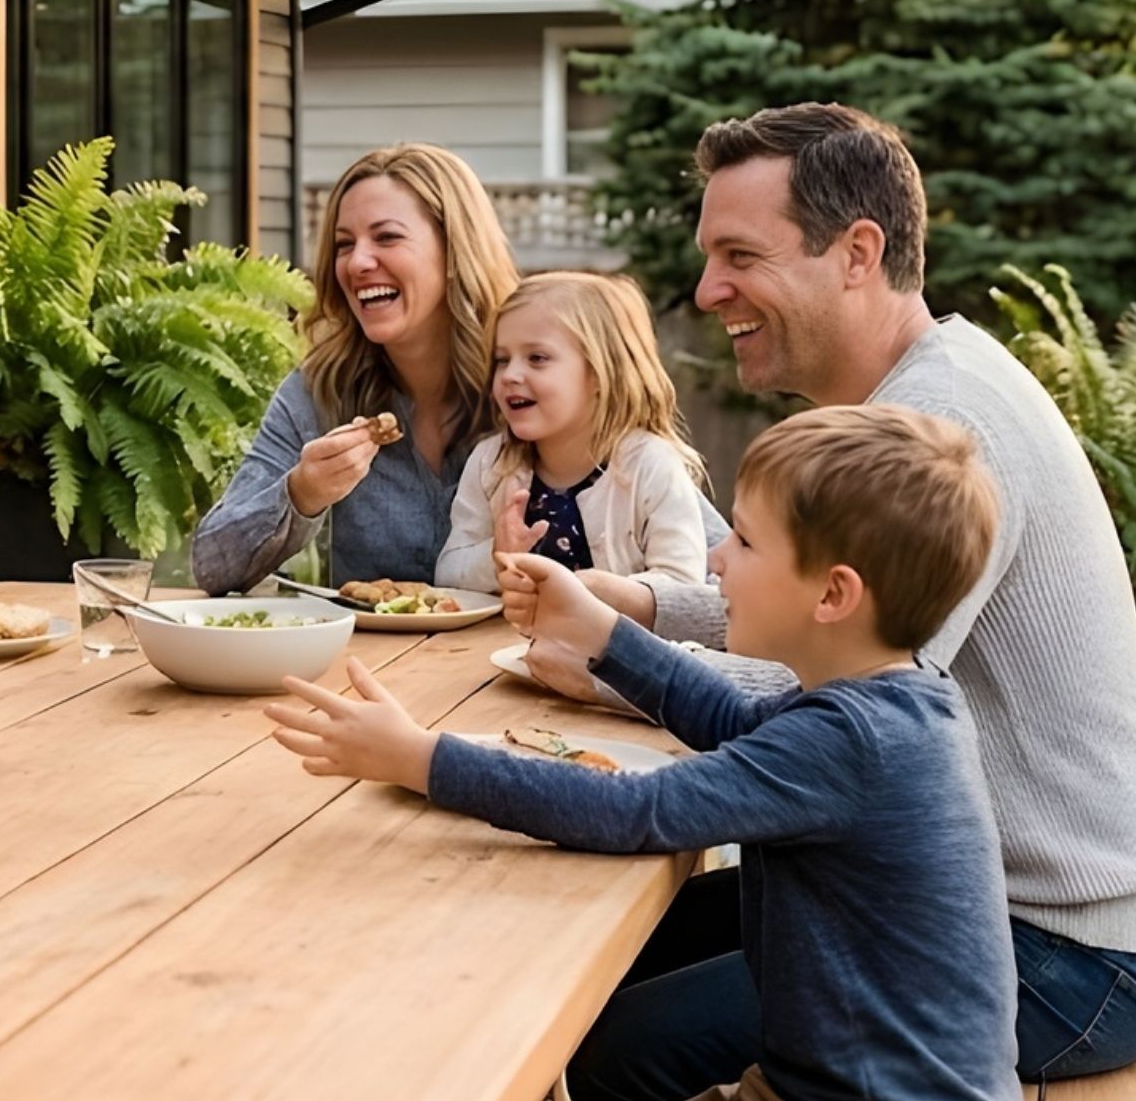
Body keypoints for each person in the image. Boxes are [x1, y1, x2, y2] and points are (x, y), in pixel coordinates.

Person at [509, 102, 1136, 1090]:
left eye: (738, 255)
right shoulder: (919, 396)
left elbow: (811, 693)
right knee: (612, 953)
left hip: (1068, 952)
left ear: (855, 252)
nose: (706, 290)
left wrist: (611, 664)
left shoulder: (940, 423)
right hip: (952, 905)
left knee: (620, 1038)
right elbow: (814, 603)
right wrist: (640, 609)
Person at [270, 404, 1014, 1101]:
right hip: (848, 1079)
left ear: (833, 596)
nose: (718, 559)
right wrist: (600, 630)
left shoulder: (853, 738)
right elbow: (735, 719)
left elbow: (636, 810)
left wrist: (419, 759)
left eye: (746, 542)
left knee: (585, 1057)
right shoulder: (903, 700)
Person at [190, 144, 518, 593]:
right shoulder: (319, 392)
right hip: (369, 662)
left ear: (455, 251)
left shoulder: (528, 382)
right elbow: (211, 566)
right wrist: (301, 493)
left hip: (516, 659)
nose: (358, 263)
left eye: (386, 238)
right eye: (345, 245)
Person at [432, 270, 711, 600]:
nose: (510, 374)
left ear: (598, 373)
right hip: (502, 650)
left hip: (621, 651)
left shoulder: (650, 465)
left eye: (537, 358)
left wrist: (596, 594)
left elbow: (685, 590)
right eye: (502, 360)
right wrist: (495, 556)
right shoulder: (490, 462)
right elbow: (446, 573)